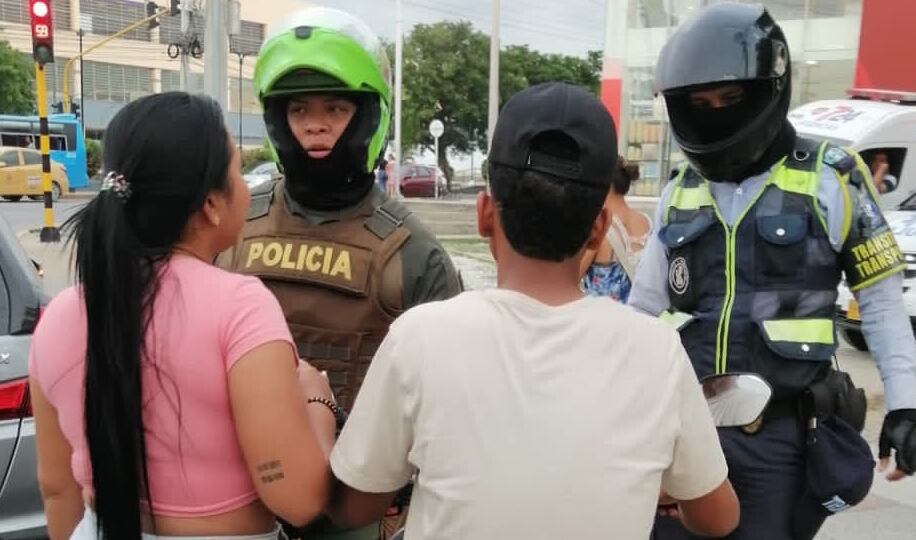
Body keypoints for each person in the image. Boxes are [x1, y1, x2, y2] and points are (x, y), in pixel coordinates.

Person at [323, 82, 740, 540]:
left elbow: (354, 505)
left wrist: (316, 405)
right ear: (599, 228)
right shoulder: (657, 351)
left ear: (484, 214)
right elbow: (719, 518)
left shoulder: (420, 337)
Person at [628, 4, 916, 539]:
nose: (716, 114)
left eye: (730, 99)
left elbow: (880, 303)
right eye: (700, 104)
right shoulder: (679, 191)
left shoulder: (833, 179)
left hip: (779, 441)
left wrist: (904, 408)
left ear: (769, 89)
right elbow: (643, 311)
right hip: (683, 432)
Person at [28, 93, 338, 539]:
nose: (245, 186)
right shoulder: (241, 307)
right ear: (211, 204)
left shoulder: (61, 314)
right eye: (237, 172)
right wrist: (317, 401)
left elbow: (57, 490)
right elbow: (300, 499)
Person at [217, 7, 462, 539]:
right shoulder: (231, 230)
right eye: (298, 109)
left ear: (368, 114)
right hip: (238, 506)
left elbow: (450, 407)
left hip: (355, 510)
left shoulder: (412, 252)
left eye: (335, 107)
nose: (316, 124)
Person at [580, 155, 651, 302]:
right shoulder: (646, 222)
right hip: (640, 314)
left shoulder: (600, 226)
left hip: (603, 315)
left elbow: (571, 276)